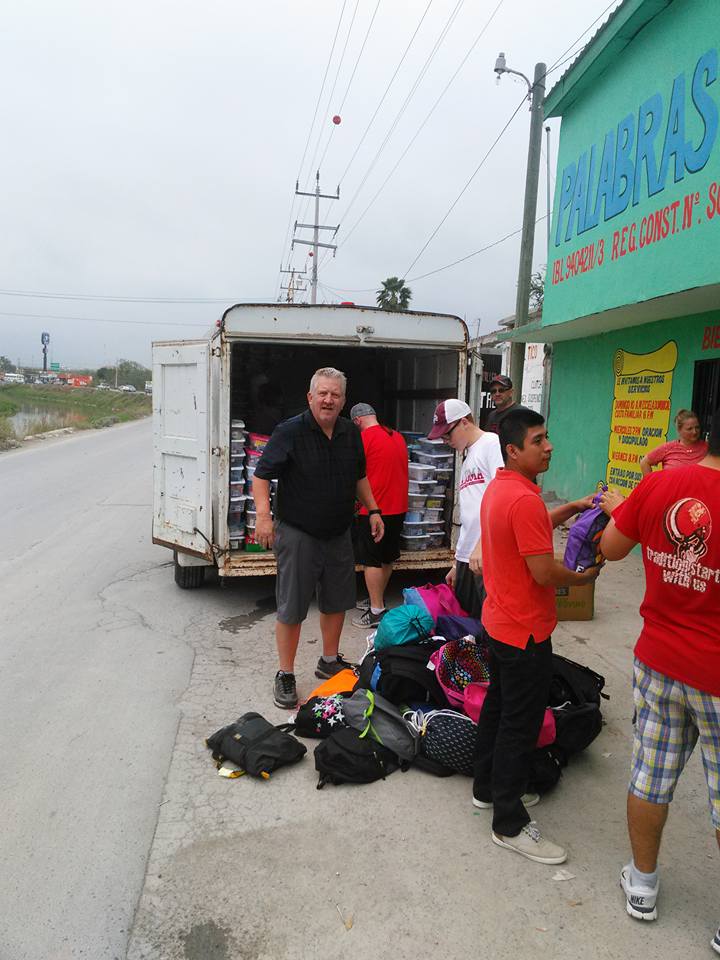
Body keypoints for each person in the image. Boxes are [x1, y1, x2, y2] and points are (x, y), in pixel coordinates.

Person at [599, 410, 720, 950]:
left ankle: (643, 885)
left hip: (659, 660)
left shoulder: (659, 484)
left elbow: (610, 548)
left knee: (650, 774)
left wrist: (623, 511)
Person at [474, 408, 600, 865]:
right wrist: (582, 578)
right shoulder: (523, 500)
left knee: (498, 708)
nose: (549, 447)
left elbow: (530, 526)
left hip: (500, 623)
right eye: (538, 441)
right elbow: (544, 571)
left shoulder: (503, 488)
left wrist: (572, 507)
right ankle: (508, 823)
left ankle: (487, 788)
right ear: (513, 450)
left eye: (547, 437)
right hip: (525, 631)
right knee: (519, 724)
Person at [253, 368, 384, 710]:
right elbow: (262, 476)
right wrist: (264, 517)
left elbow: (359, 476)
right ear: (310, 397)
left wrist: (373, 510)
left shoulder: (350, 433)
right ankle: (285, 673)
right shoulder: (289, 431)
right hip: (298, 532)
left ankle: (328, 660)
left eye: (335, 395)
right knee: (292, 605)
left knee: (336, 601)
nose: (328, 400)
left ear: (343, 400)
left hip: (338, 532)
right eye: (323, 393)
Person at [427, 398, 504, 617]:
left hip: (484, 555)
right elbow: (470, 515)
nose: (445, 441)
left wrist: (482, 545)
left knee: (488, 624)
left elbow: (501, 497)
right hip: (468, 557)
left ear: (464, 422)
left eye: (447, 434)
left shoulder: (491, 444)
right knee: (467, 624)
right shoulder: (469, 455)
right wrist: (457, 562)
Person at [349, 403, 409, 629]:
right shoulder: (397, 436)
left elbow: (354, 473)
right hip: (399, 506)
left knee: (371, 560)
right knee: (387, 557)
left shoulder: (363, 439)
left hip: (374, 509)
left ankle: (376, 611)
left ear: (357, 421)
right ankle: (377, 598)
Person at [639, 408, 708, 475]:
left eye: (697, 427)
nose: (695, 432)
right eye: (689, 429)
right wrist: (652, 482)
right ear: (679, 430)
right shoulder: (668, 448)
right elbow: (644, 463)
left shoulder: (707, 448)